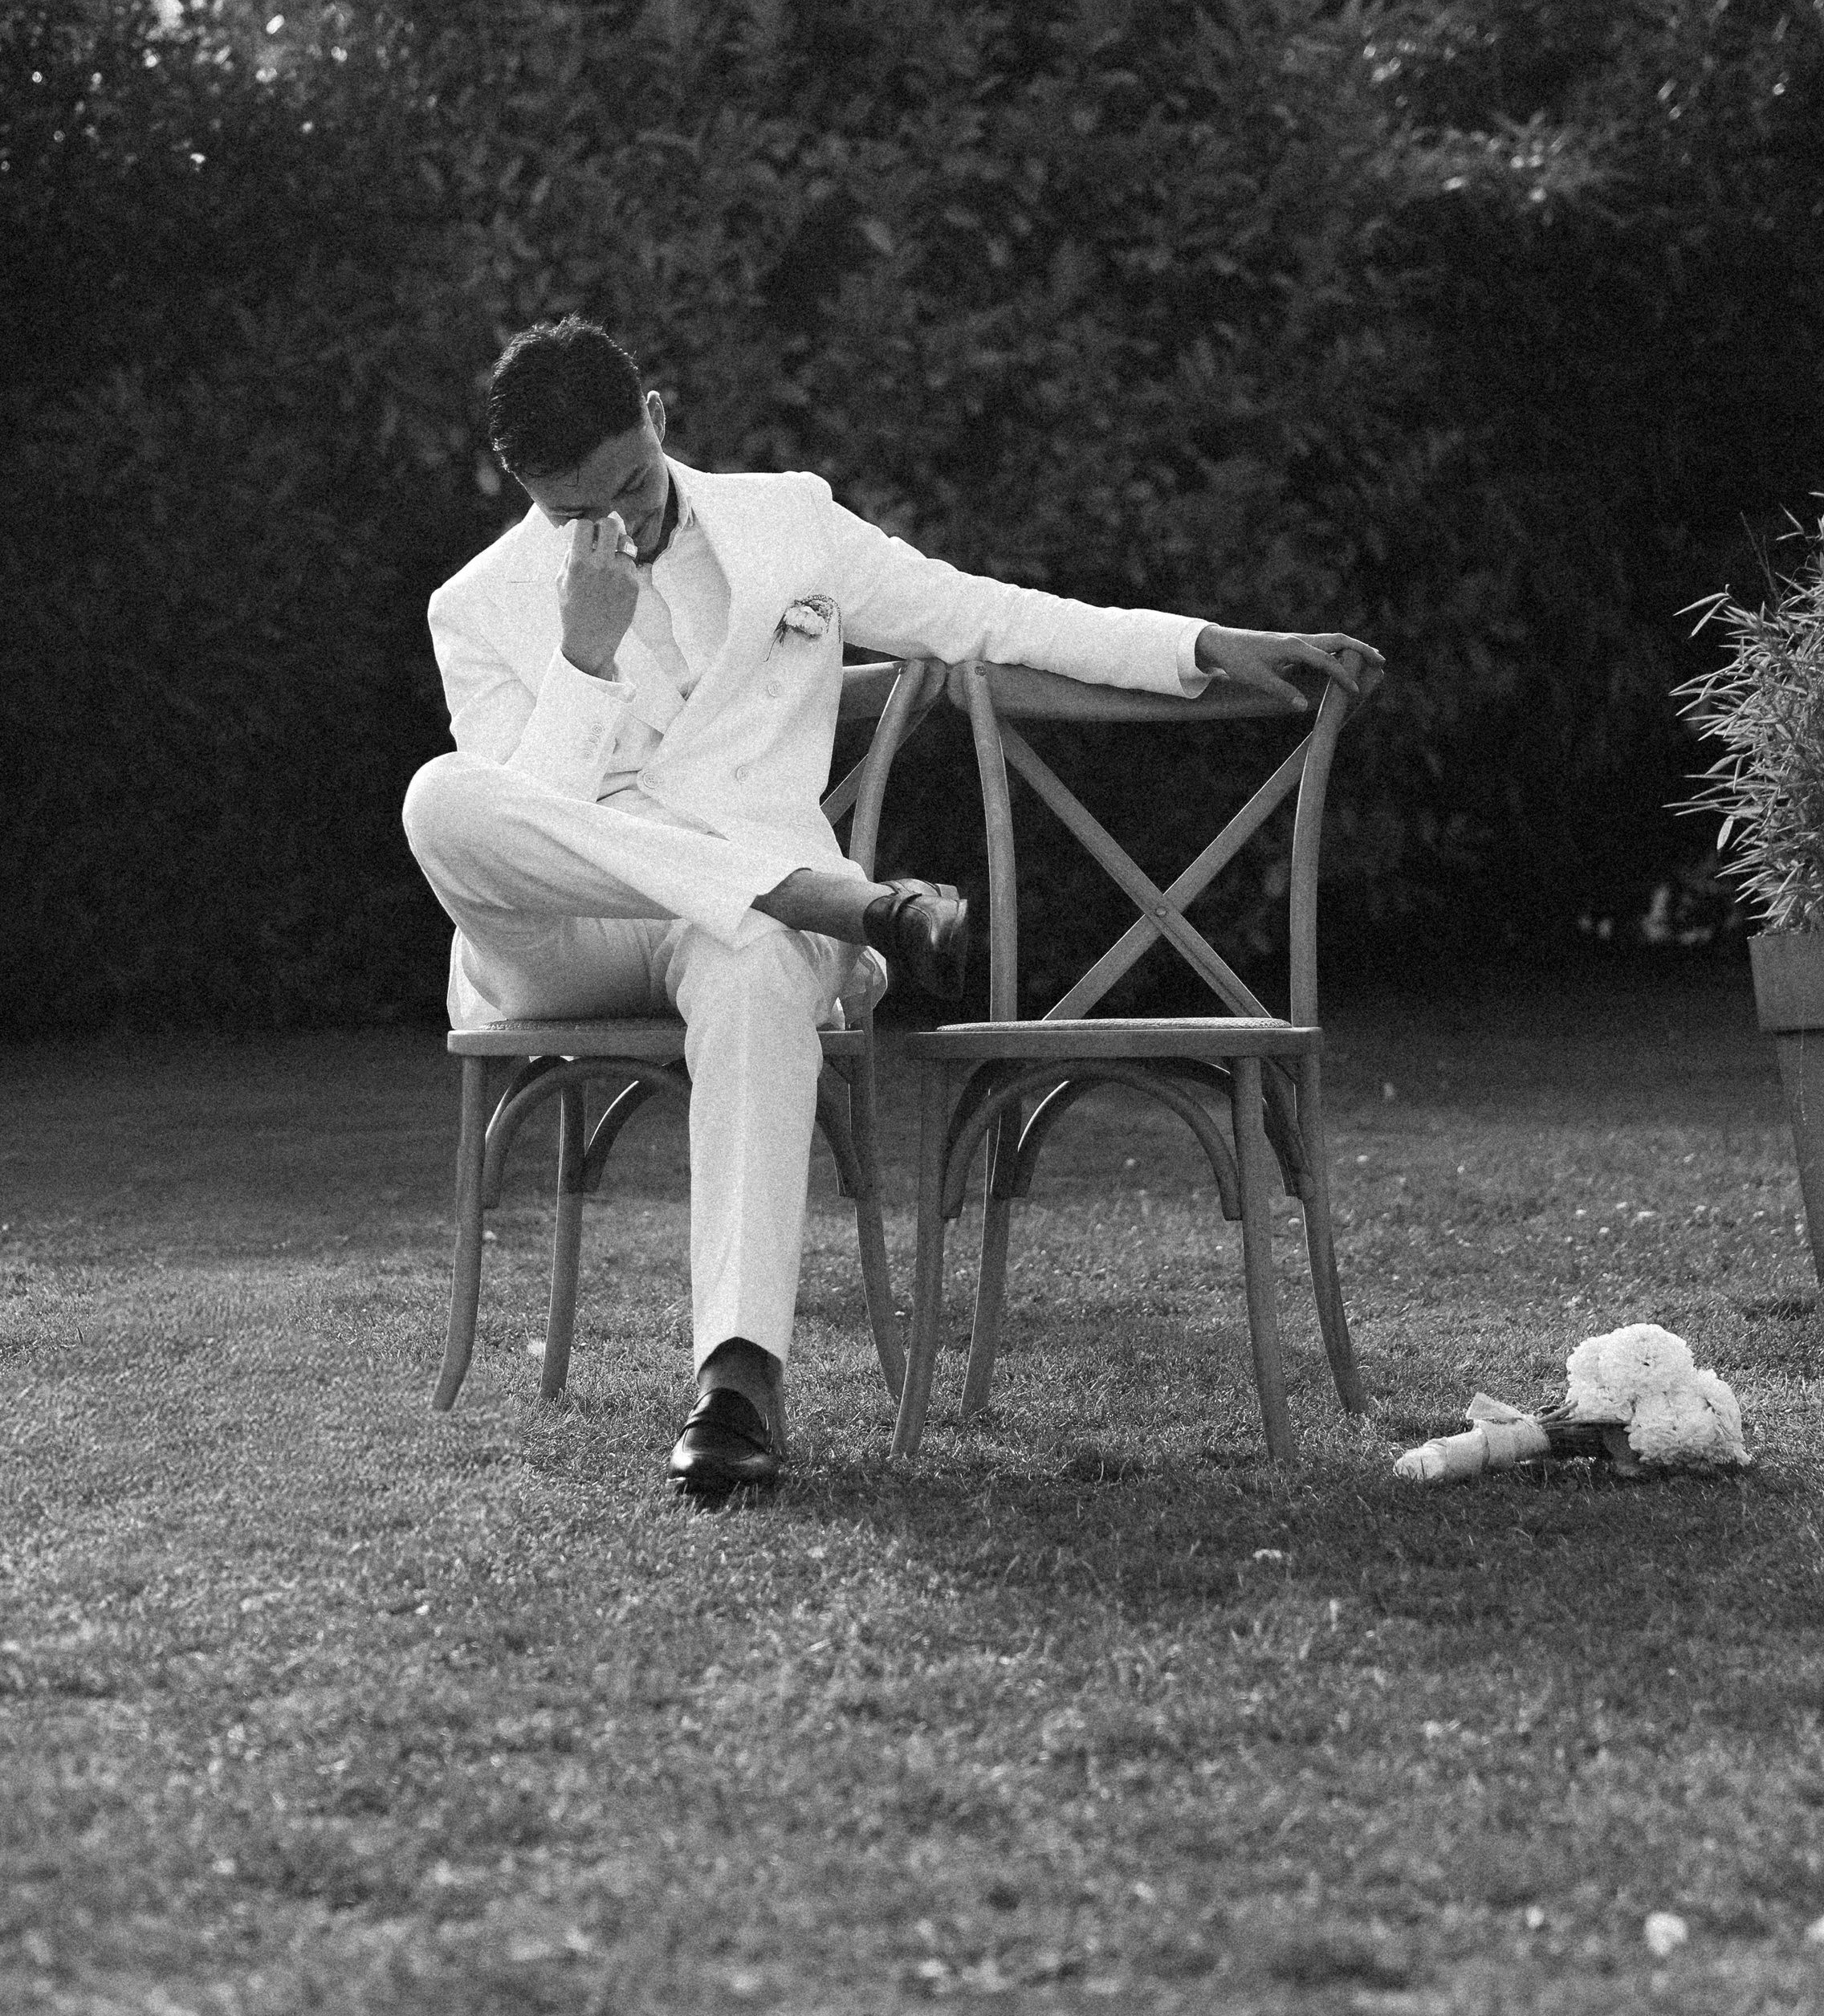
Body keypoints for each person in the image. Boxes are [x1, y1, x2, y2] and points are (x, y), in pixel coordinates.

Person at [402, 316, 1376, 1506]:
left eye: (633, 487)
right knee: (442, 798)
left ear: (658, 416)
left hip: (736, 930)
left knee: (756, 950)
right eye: (575, 512)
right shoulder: (477, 605)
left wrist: (1199, 642)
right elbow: (532, 837)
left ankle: (737, 1380)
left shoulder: (789, 520)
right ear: (524, 490)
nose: (622, 525)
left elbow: (984, 614)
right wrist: (584, 662)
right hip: (562, 945)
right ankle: (844, 901)